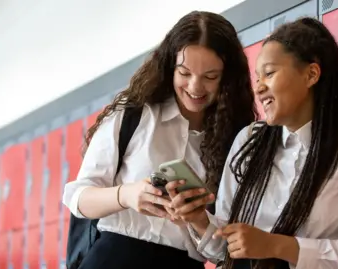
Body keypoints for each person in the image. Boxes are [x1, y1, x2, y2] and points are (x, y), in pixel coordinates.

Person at [166, 17, 338, 269]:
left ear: (311, 74)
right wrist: (199, 219)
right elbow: (224, 250)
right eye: (257, 77)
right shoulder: (249, 140)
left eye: (270, 73)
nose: (259, 88)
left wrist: (277, 245)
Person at [62, 10, 257, 269]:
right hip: (114, 257)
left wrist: (198, 220)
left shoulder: (237, 141)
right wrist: (127, 195)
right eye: (185, 73)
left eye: (210, 77)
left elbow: (226, 251)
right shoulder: (134, 115)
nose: (195, 87)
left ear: (227, 78)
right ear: (170, 67)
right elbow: (77, 197)